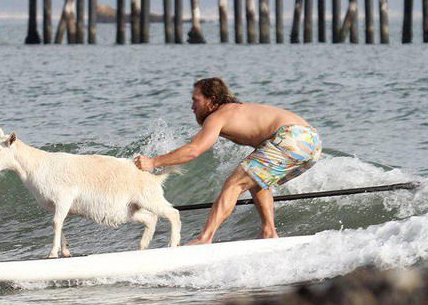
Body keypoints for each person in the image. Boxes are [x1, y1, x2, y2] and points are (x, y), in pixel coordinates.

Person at [133, 78, 321, 244]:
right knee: (256, 178)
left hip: (292, 137)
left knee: (234, 184)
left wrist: (153, 162)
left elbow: (193, 151)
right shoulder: (236, 111)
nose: (192, 106)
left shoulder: (218, 116)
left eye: (195, 100)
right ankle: (269, 231)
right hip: (311, 141)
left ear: (211, 100)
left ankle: (204, 239)